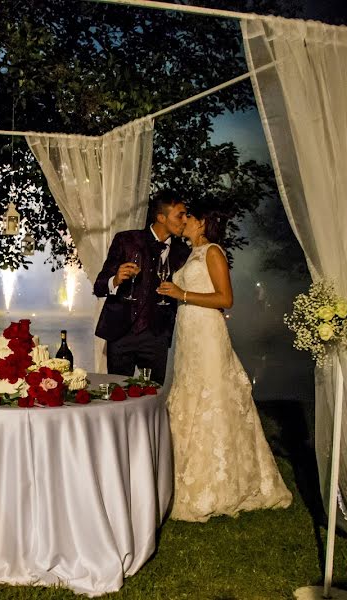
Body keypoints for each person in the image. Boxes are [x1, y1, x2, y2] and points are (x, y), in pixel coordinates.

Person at [156, 203, 292, 522]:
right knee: (187, 396)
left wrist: (182, 294)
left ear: (202, 223)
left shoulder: (213, 252)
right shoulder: (190, 253)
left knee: (212, 396)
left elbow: (225, 299)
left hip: (207, 333)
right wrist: (174, 294)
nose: (184, 221)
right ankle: (182, 478)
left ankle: (218, 484)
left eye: (189, 216)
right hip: (188, 333)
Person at [94, 189, 191, 384]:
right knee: (118, 393)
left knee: (152, 396)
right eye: (180, 215)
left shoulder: (183, 252)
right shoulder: (127, 240)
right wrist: (115, 279)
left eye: (186, 215)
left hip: (157, 334)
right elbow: (99, 286)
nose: (185, 220)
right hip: (120, 332)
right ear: (161, 217)